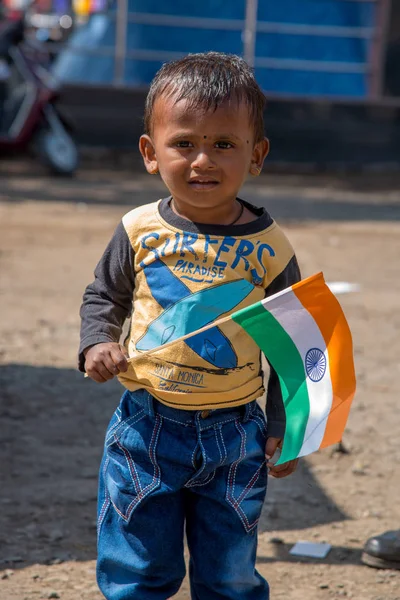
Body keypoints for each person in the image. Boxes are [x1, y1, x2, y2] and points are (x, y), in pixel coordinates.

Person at [79, 51, 301, 600]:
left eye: (224, 144)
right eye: (184, 143)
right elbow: (103, 295)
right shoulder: (138, 230)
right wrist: (98, 342)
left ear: (257, 155)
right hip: (144, 428)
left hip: (236, 437)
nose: (203, 160)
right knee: (138, 571)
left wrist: (287, 425)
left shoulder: (270, 249)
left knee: (229, 575)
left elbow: (293, 346)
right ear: (151, 154)